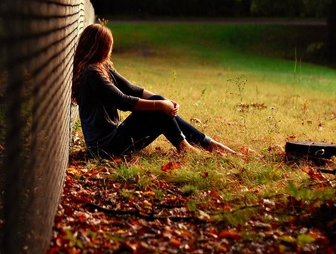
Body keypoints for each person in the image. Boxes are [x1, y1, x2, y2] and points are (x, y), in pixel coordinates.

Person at [71, 23, 236, 159]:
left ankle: (209, 144)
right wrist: (160, 104)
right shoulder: (91, 73)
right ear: (100, 48)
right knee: (157, 107)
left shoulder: (102, 66)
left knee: (158, 104)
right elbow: (122, 101)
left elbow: (131, 89)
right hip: (103, 148)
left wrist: (166, 102)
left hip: (114, 138)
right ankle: (186, 147)